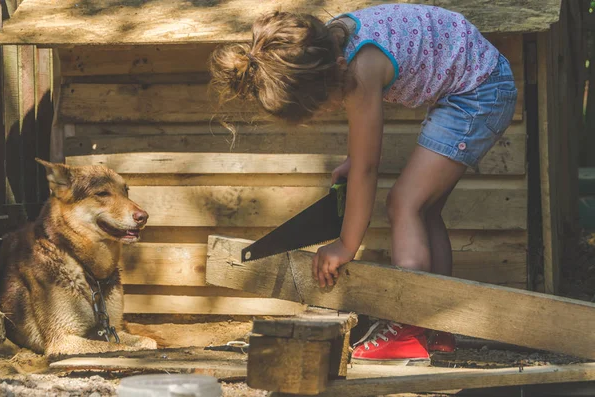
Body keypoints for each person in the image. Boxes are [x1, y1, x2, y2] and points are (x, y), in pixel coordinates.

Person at [209, 3, 518, 366]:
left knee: (404, 204)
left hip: (479, 93)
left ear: (330, 78)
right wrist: (355, 159)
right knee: (424, 208)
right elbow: (364, 153)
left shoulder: (359, 68)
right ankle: (438, 324)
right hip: (475, 86)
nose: (328, 109)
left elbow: (368, 170)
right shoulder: (324, 45)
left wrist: (345, 244)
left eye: (323, 104)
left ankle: (408, 328)